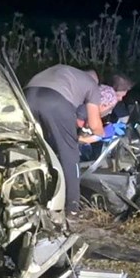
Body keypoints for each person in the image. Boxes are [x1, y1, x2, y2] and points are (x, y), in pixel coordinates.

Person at [24, 64, 105, 215]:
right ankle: (71, 209)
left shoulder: (62, 71)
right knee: (70, 153)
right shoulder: (92, 84)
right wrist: (101, 133)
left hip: (26, 97)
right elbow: (95, 124)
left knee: (38, 148)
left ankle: (30, 196)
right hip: (55, 101)